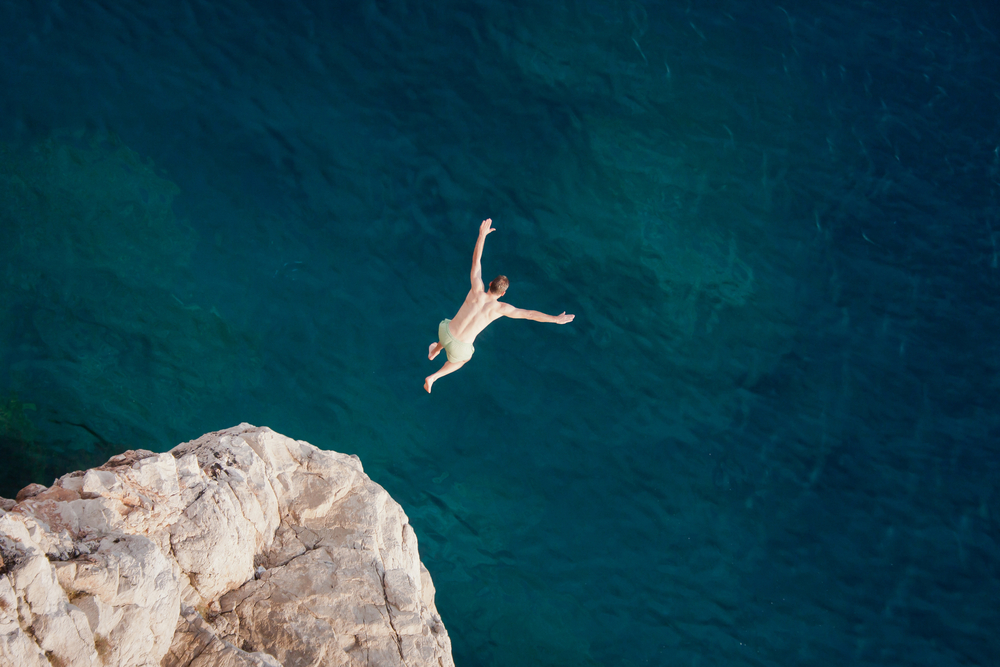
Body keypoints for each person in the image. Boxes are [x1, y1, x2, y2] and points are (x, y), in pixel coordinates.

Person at [425, 218, 574, 393]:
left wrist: (482, 235)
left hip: (445, 332)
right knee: (462, 360)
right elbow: (530, 314)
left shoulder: (476, 288)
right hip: (460, 348)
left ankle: (434, 350)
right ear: (503, 293)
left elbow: (476, 261)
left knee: (448, 328)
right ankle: (433, 377)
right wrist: (555, 319)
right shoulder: (500, 309)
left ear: (489, 283)